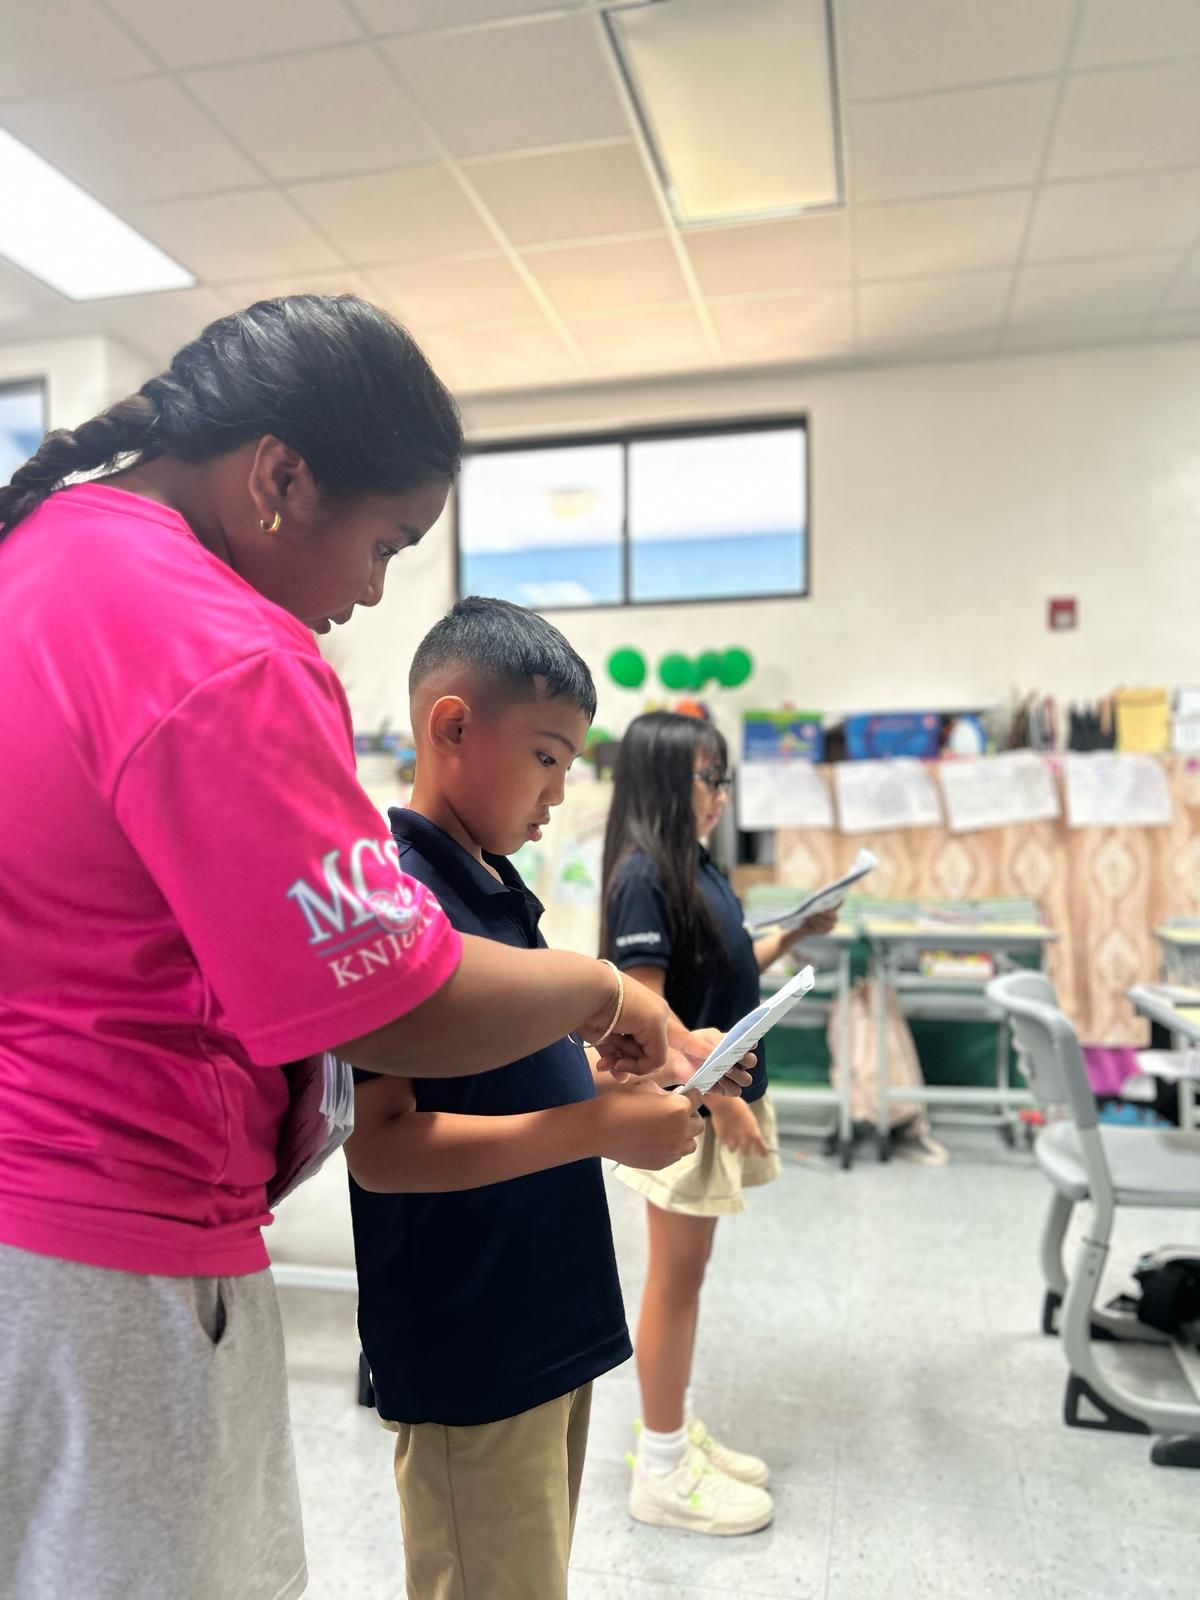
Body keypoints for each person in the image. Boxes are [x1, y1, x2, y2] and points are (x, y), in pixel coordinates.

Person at [0, 296, 700, 1600]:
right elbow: (390, 1003)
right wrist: (602, 990)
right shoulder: (216, 643)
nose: (373, 591)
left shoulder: (42, 556)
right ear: (278, 479)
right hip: (109, 1237)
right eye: (383, 545)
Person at [346, 597, 752, 1600]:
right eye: (545, 757)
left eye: (570, 763)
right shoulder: (398, 900)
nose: (560, 793)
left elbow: (499, 1069)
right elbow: (383, 1148)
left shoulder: (490, 884)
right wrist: (594, 1125)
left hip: (543, 1313)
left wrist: (626, 1076)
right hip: (470, 1335)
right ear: (452, 729)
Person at [600, 711, 836, 1536]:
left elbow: (726, 970)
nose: (721, 795)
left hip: (710, 1093)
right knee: (673, 1281)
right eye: (710, 778)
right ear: (667, 781)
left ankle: (672, 1429)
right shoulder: (643, 875)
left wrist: (791, 936)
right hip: (689, 1104)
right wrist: (726, 1101)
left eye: (723, 778)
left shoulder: (694, 862)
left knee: (687, 1279)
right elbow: (649, 1014)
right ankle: (662, 1468)